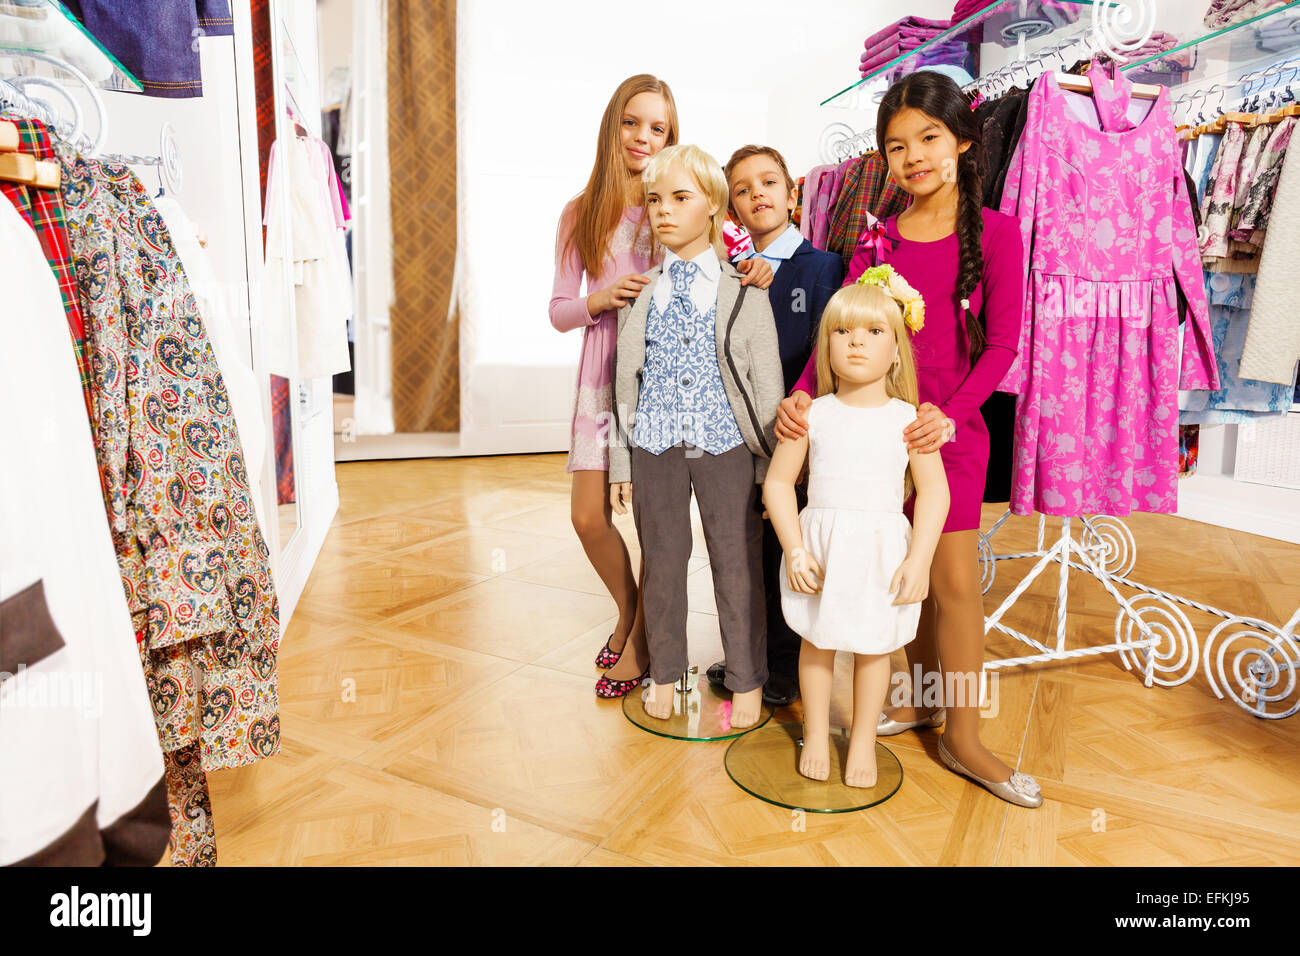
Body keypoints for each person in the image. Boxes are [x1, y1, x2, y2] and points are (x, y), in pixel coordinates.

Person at [775, 71, 1043, 807]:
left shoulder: (997, 231)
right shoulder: (877, 240)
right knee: (896, 577)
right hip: (868, 438)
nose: (913, 156)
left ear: (962, 139)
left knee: (951, 586)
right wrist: (799, 399)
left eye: (927, 138)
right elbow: (840, 330)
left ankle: (963, 735)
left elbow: (1004, 347)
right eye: (896, 146)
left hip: (945, 436)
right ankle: (922, 700)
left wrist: (949, 414)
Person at [548, 76, 771, 697]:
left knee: (661, 528)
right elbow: (559, 309)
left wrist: (756, 266)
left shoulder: (679, 197)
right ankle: (629, 614)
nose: (644, 137)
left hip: (677, 385)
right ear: (611, 126)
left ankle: (643, 644)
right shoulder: (579, 212)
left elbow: (732, 265)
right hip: (605, 379)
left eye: (659, 127)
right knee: (589, 516)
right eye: (632, 122)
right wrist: (599, 298)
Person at [608, 144, 784, 727]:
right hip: (655, 443)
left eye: (680, 198)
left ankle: (746, 678)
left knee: (736, 563)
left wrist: (770, 471)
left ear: (712, 205)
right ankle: (665, 672)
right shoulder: (642, 292)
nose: (664, 211)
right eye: (655, 199)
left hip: (725, 441)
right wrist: (621, 464)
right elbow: (623, 382)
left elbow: (767, 380)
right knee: (661, 561)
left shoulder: (743, 287)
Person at [764, 275, 949, 787]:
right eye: (842, 331)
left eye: (873, 330)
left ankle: (863, 739)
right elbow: (778, 484)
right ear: (826, 345)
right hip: (821, 550)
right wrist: (796, 550)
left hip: (881, 554)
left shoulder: (909, 420)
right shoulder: (811, 416)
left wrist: (920, 559)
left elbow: (935, 493)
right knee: (817, 644)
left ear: (896, 351)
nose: (857, 341)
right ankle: (817, 732)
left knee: (874, 648)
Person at [704, 145, 843, 706]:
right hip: (737, 439)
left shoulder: (823, 266)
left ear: (793, 195)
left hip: (794, 438)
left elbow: (825, 352)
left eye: (769, 182)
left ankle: (786, 666)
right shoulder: (726, 276)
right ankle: (748, 656)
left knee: (787, 550)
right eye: (743, 188)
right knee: (741, 549)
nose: (757, 193)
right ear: (732, 210)